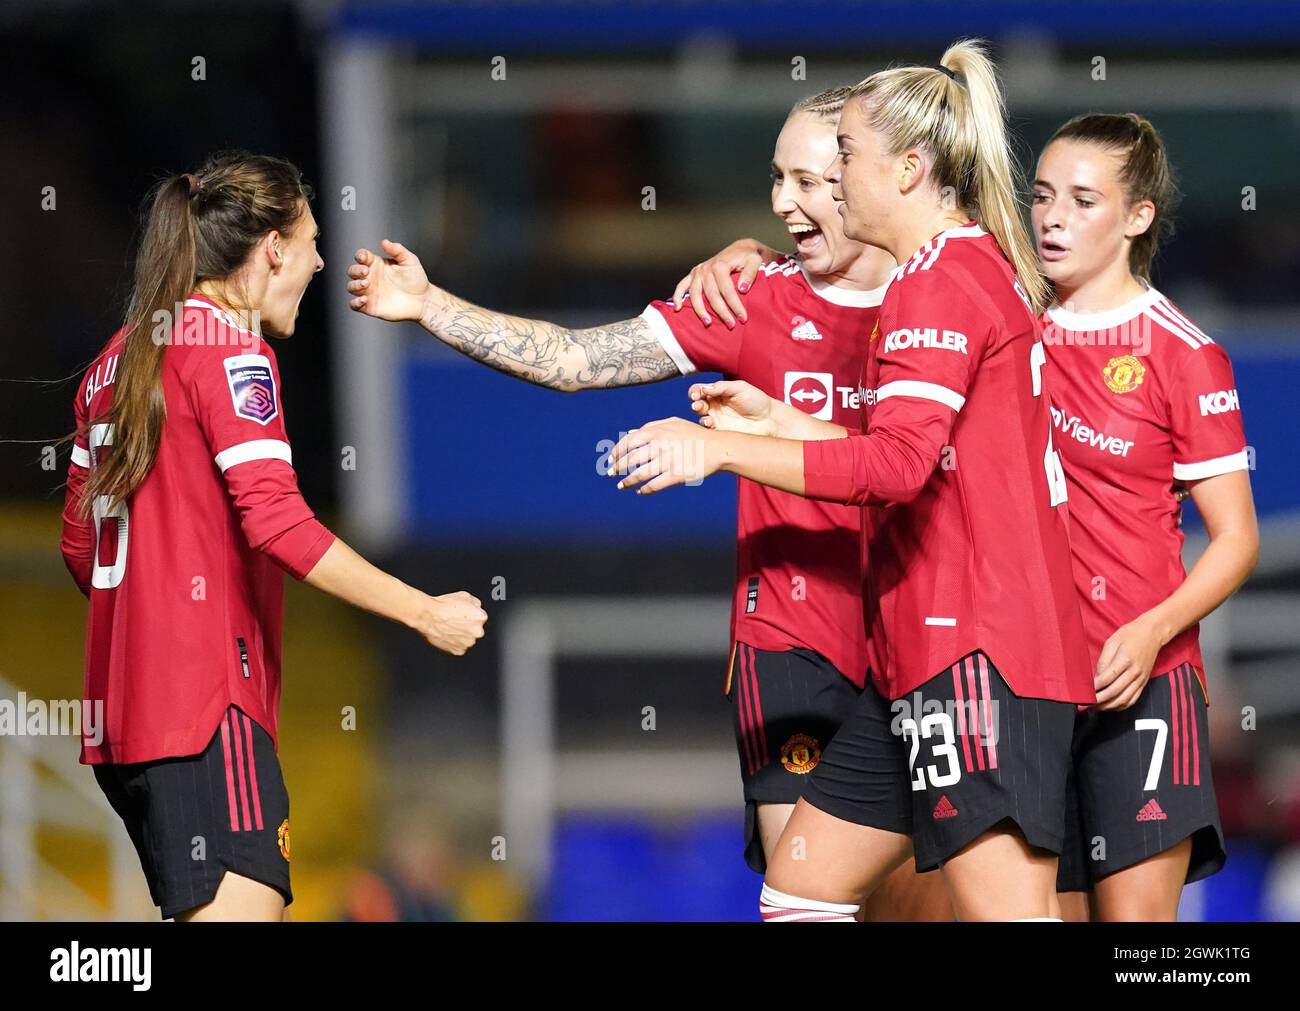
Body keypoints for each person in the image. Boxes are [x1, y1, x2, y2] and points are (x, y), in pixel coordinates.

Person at [346, 90, 950, 920]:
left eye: (808, 180)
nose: (782, 201)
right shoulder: (751, 300)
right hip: (793, 647)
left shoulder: (952, 298)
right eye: (776, 178)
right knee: (803, 897)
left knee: (926, 903)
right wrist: (430, 306)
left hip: (928, 642)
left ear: (868, 181)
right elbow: (574, 360)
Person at [608, 40, 1095, 921]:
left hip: (977, 655)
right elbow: (935, 454)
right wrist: (783, 422)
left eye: (844, 159)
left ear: (908, 170)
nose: (829, 178)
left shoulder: (937, 284)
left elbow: (896, 467)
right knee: (800, 890)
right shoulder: (963, 265)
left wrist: (720, 450)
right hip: (923, 662)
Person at [60, 151, 487, 922]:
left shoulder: (109, 366)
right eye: (314, 241)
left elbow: (83, 551)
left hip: (124, 723)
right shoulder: (228, 349)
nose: (323, 261)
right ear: (274, 249)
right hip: (202, 708)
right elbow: (279, 520)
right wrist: (421, 610)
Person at [1031, 113, 1258, 920]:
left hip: (1147, 686)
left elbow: (1236, 540)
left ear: (1137, 216)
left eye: (1084, 199)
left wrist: (1152, 628)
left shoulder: (1182, 352)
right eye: (1043, 195)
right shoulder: (1007, 331)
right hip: (1029, 686)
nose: (1053, 216)